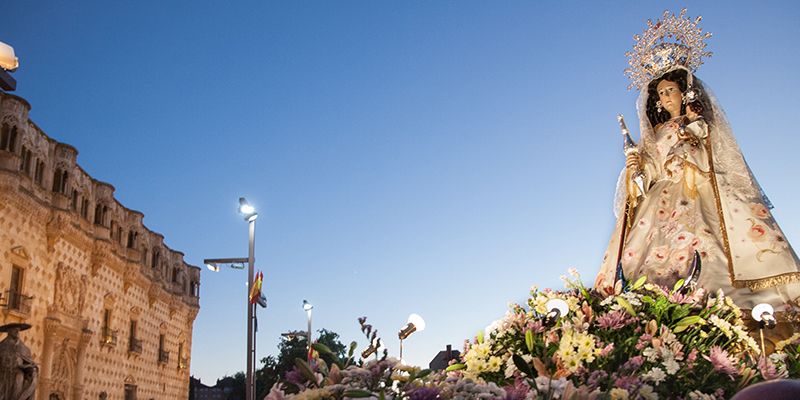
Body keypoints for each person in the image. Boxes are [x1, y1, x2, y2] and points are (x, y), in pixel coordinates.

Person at [594, 11, 800, 318]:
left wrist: (692, 135)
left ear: (683, 91)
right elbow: (650, 170)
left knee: (708, 243)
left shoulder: (699, 125)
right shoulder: (658, 133)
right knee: (644, 255)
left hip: (696, 189)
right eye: (661, 94)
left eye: (670, 91)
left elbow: (709, 154)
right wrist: (636, 168)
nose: (665, 98)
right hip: (660, 198)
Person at [0, 322, 38, 400]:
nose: (17, 332)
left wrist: (31, 369)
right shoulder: (1, 346)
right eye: (15, 330)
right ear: (9, 331)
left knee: (19, 378)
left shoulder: (24, 349)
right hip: (3, 377)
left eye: (18, 330)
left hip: (17, 377)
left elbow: (30, 363)